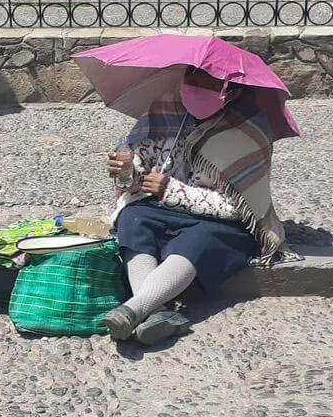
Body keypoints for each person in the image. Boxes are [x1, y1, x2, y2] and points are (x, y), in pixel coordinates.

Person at [102, 67, 299, 346]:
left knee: (196, 242)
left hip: (216, 221)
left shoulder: (248, 129)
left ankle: (134, 309)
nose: (194, 89)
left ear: (232, 91)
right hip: (160, 208)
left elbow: (239, 207)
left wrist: (171, 190)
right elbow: (138, 177)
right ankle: (154, 312)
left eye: (206, 84)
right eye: (190, 80)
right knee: (133, 219)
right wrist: (126, 171)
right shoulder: (165, 111)